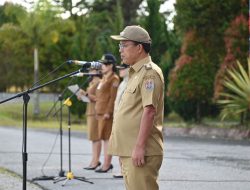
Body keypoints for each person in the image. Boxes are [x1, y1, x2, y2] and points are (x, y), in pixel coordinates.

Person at [108, 25, 164, 190]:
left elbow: (149, 111)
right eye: (120, 46)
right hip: (129, 149)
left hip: (141, 151)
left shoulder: (149, 73)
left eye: (124, 45)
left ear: (139, 48)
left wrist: (139, 147)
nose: (120, 50)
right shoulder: (135, 73)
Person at [94, 53, 120, 173]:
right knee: (103, 138)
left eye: (104, 64)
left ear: (111, 65)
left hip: (106, 113)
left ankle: (107, 164)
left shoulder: (114, 79)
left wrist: (108, 112)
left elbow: (112, 97)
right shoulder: (104, 78)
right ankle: (105, 163)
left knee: (107, 139)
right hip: (100, 111)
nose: (102, 66)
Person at [77, 68, 102, 170]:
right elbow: (89, 99)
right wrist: (81, 95)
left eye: (92, 70)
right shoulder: (91, 82)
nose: (89, 72)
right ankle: (94, 160)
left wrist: (86, 94)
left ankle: (96, 161)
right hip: (90, 111)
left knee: (96, 137)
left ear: (97, 71)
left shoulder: (99, 82)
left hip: (96, 112)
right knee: (92, 138)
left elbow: (98, 98)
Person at [112, 63, 129, 179]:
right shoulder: (122, 83)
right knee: (120, 147)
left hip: (125, 118)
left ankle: (126, 170)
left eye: (123, 69)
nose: (120, 71)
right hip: (117, 117)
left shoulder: (130, 82)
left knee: (126, 146)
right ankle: (122, 170)